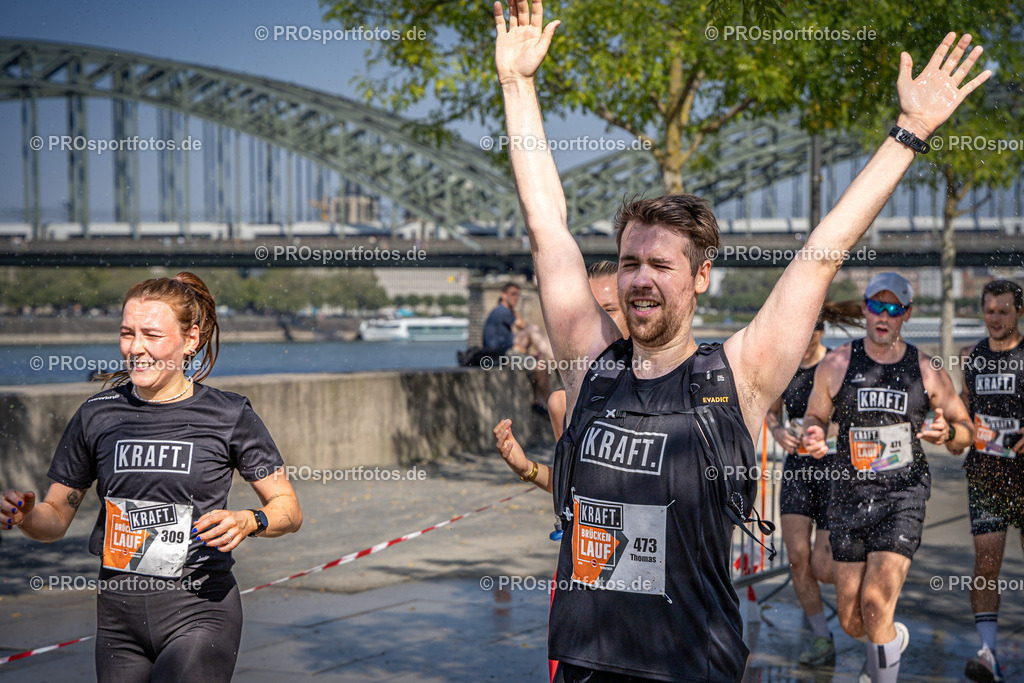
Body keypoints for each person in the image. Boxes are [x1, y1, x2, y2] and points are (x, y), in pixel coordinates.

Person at [494, 0, 988, 679]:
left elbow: (823, 252)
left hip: (689, 664)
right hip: (583, 660)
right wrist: (517, 86)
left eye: (660, 266)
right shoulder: (593, 364)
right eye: (631, 262)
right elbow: (547, 224)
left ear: (699, 277)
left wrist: (909, 132)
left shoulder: (737, 374)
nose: (640, 279)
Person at [1, 272, 302, 682]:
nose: (136, 348)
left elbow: (288, 508)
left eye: (152, 335)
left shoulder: (230, 415)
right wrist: (25, 516)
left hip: (199, 611)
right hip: (117, 619)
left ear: (190, 339)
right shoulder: (97, 413)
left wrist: (250, 520)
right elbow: (54, 518)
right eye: (127, 333)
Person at [802, 272, 973, 683]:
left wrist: (948, 434)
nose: (884, 315)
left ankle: (882, 671)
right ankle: (891, 640)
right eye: (877, 306)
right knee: (852, 619)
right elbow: (815, 415)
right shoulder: (837, 362)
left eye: (894, 308)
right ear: (865, 309)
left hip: (902, 497)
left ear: (906, 314)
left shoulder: (926, 369)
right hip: (848, 497)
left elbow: (964, 430)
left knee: (876, 604)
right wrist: (812, 432)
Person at [765, 301, 860, 667]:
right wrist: (778, 433)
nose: (806, 341)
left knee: (822, 566)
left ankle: (867, 594)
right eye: (801, 334)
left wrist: (831, 432)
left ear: (823, 332)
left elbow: (853, 416)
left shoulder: (836, 365)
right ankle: (823, 638)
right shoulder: (786, 365)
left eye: (814, 333)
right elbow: (773, 412)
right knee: (797, 558)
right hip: (797, 471)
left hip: (834, 471)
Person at [955, 280, 1024, 683]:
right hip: (986, 475)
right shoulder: (970, 357)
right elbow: (964, 413)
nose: (995, 318)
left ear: (1018, 312)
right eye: (989, 310)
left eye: (1003, 310)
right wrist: (952, 433)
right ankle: (988, 653)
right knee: (985, 563)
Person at [483, 281, 554, 411]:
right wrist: (514, 309)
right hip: (501, 356)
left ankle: (539, 401)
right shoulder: (502, 310)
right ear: (503, 295)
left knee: (541, 361)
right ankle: (550, 404)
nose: (515, 298)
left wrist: (527, 353)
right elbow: (522, 325)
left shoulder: (500, 311)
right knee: (541, 363)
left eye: (517, 295)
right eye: (512, 294)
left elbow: (513, 340)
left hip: (504, 353)